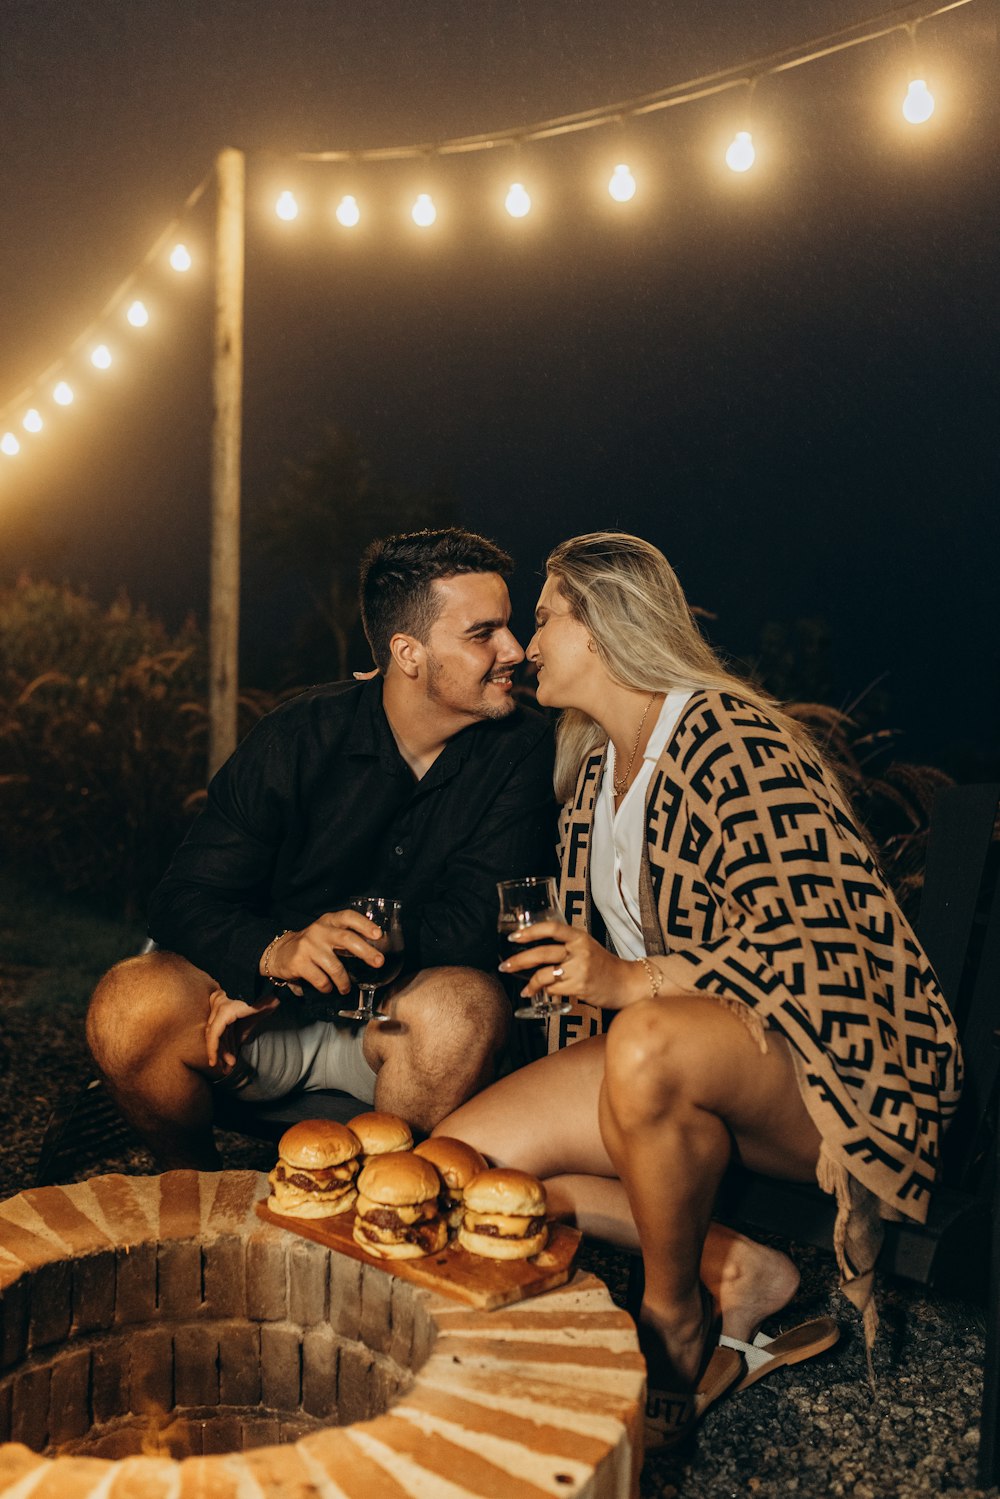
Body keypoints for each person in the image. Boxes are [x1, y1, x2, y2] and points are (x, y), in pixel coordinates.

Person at [438, 531, 962, 1441]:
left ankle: (674, 1314)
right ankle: (741, 1270)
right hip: (673, 1062)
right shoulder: (596, 768)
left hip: (820, 1072)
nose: (525, 646)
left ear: (600, 627)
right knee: (460, 1164)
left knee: (646, 1042)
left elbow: (822, 935)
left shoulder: (733, 739)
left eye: (544, 618)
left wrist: (626, 977)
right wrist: (588, 981)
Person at [87, 527, 556, 1169]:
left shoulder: (523, 750)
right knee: (128, 1002)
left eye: (508, 627)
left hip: (393, 1033)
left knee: (464, 1008)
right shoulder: (298, 735)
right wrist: (275, 952)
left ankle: (380, 1214)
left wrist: (305, 976)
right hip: (257, 1023)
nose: (515, 650)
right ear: (408, 652)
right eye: (484, 633)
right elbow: (184, 898)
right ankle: (194, 1188)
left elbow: (476, 926)